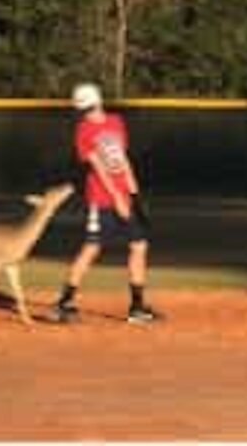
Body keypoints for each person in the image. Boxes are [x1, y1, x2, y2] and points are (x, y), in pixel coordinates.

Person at [51, 83, 160, 324]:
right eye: (83, 110)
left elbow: (121, 157)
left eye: (89, 108)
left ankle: (137, 307)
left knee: (139, 246)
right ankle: (63, 303)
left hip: (123, 192)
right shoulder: (83, 130)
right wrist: (117, 197)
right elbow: (98, 167)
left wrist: (133, 189)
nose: (87, 113)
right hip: (101, 198)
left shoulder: (116, 122)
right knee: (92, 248)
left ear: (98, 102)